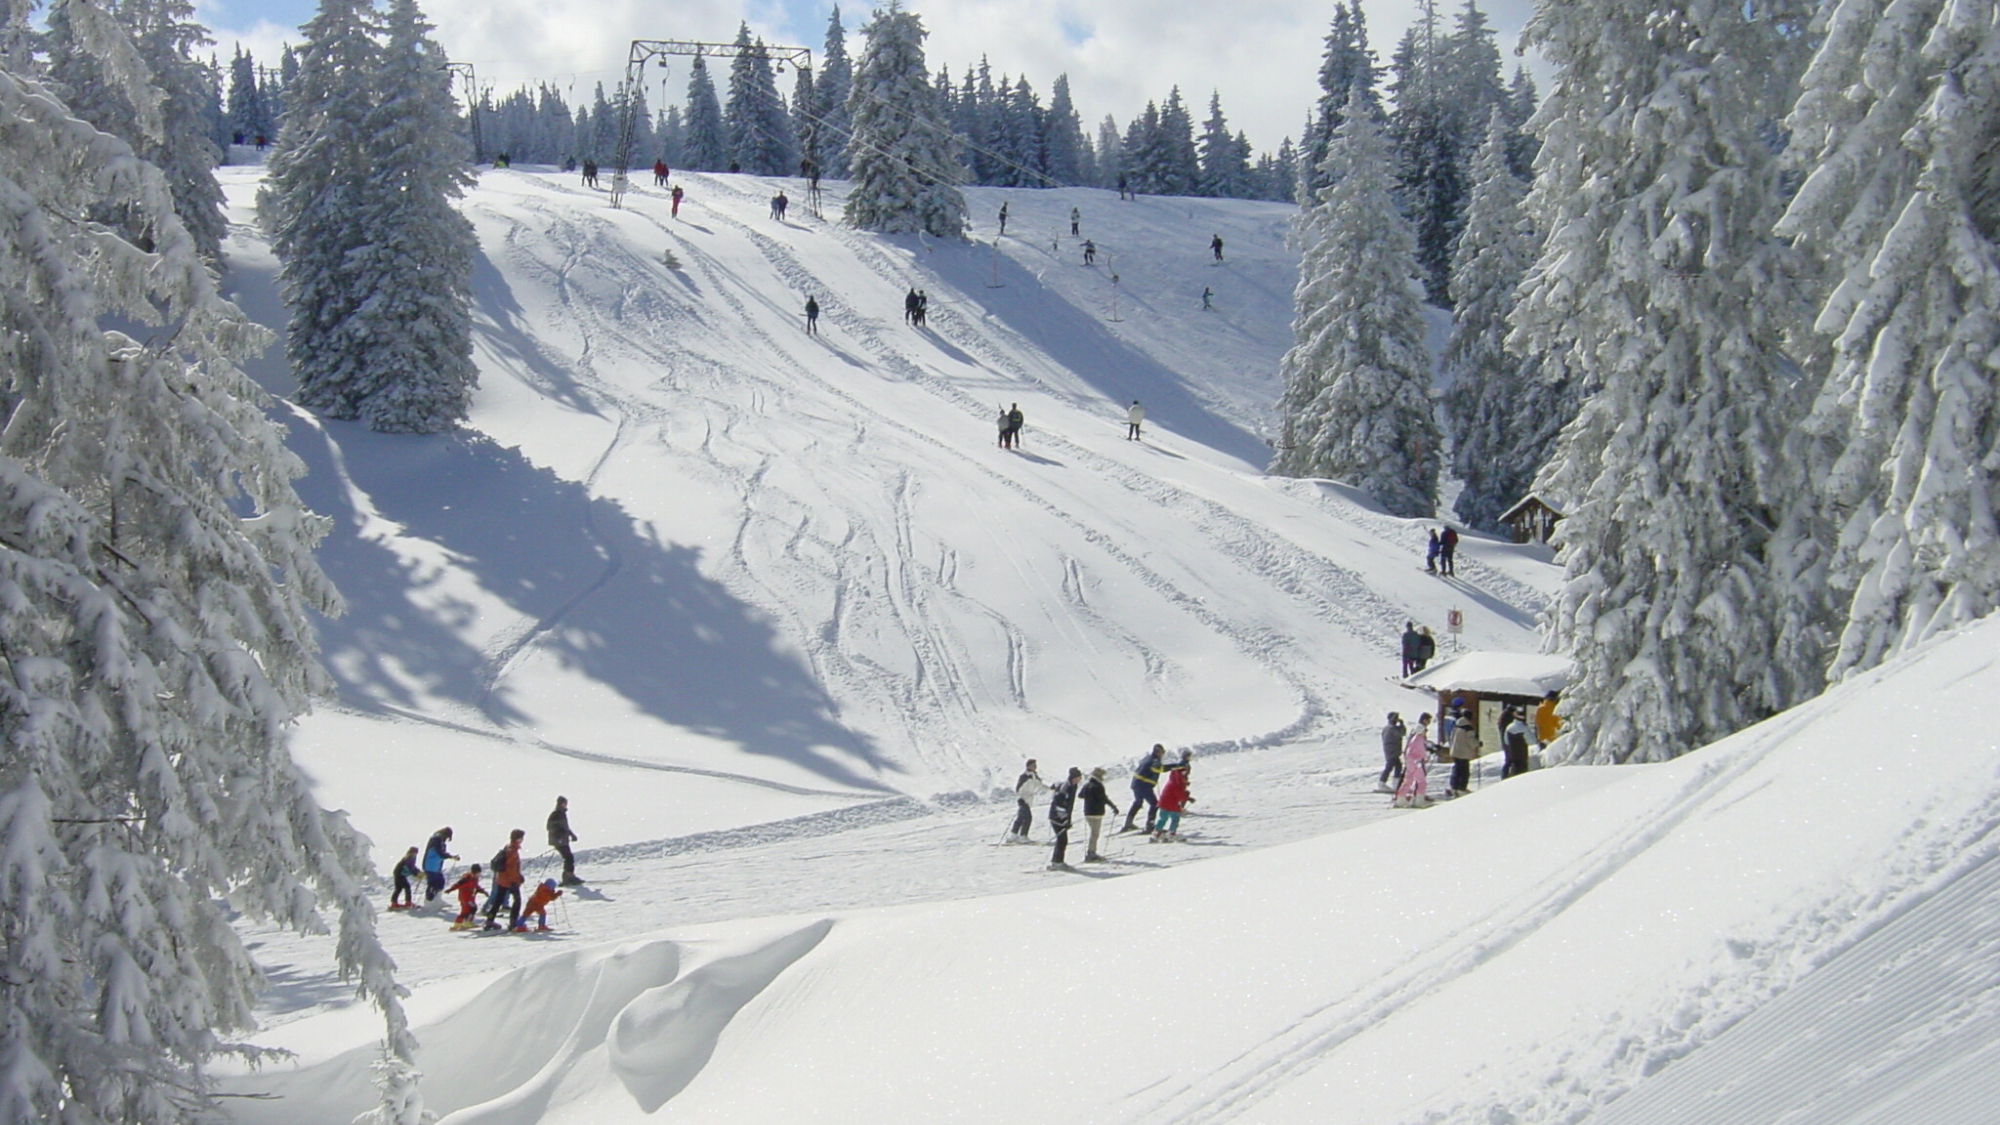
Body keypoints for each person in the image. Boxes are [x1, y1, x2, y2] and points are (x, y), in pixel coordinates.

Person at [484, 829, 526, 930]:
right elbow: (511, 869)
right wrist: (518, 879)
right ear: (518, 839)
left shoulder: (507, 847)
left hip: (501, 879)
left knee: (498, 901)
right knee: (517, 900)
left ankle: (490, 920)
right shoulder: (513, 851)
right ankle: (513, 922)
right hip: (510, 881)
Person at [1079, 767, 1122, 862]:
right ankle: (1091, 853)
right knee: (1095, 834)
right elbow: (1104, 799)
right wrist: (1114, 807)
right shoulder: (1099, 786)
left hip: (1087, 812)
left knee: (1093, 833)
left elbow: (1080, 795)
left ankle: (1091, 852)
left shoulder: (1087, 785)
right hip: (1097, 813)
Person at [1123, 744, 1167, 833]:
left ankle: (1128, 823)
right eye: (1162, 752)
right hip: (1143, 785)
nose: (1163, 754)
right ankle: (1150, 826)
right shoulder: (1154, 760)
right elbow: (1159, 768)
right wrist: (1176, 766)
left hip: (1137, 784)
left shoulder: (1148, 758)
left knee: (1138, 802)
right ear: (1158, 752)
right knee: (1154, 804)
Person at [1393, 714, 1434, 808]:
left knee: (1408, 780)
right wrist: (1423, 758)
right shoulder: (1419, 740)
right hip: (1416, 763)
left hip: (1410, 762)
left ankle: (1401, 798)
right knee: (1421, 781)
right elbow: (1420, 751)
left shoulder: (1414, 739)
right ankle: (1419, 800)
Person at [1047, 767, 1081, 869]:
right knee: (1062, 839)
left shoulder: (1072, 786)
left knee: (1062, 839)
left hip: (1061, 817)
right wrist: (1064, 820)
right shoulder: (1066, 788)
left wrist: (1067, 819)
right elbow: (1059, 805)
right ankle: (1057, 862)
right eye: (1078, 777)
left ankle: (1056, 861)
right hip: (1056, 817)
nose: (1079, 780)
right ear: (1073, 778)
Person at [1153, 754, 1192, 841]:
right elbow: (1179, 795)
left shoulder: (1172, 781)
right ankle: (1172, 834)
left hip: (1163, 803)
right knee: (1175, 818)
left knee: (1162, 818)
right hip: (1171, 805)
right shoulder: (1177, 783)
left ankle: (1157, 833)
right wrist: (1187, 797)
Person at [1008, 759, 1047, 842]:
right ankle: (1023, 836)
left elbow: (1040, 786)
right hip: (1022, 799)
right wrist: (1020, 797)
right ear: (1028, 766)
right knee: (1027, 817)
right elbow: (1018, 788)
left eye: (1035, 765)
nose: (1035, 767)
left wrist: (1051, 789)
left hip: (1028, 800)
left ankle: (1013, 835)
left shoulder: (1034, 776)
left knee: (1021, 817)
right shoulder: (1024, 776)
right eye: (1033, 765)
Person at [1447, 707, 1480, 796]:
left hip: (1455, 751)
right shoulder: (1468, 728)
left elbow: (1451, 738)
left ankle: (1453, 787)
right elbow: (1471, 741)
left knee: (1456, 770)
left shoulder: (1456, 725)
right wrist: (1478, 744)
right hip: (1464, 753)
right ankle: (1461, 788)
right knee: (1464, 771)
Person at [548, 797, 581, 885]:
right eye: (564, 803)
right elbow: (550, 827)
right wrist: (559, 836)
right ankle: (567, 877)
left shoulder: (562, 814)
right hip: (559, 841)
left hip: (563, 840)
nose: (565, 805)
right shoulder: (555, 814)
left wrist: (572, 835)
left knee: (569, 858)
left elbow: (565, 827)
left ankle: (570, 876)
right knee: (569, 857)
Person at [421, 827, 457, 902]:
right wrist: (450, 856)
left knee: (440, 883)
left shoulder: (438, 839)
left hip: (435, 866)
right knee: (433, 884)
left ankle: (435, 900)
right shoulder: (436, 840)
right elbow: (440, 854)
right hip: (430, 865)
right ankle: (429, 901)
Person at [446, 864, 485, 930]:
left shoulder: (475, 878)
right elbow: (458, 884)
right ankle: (467, 922)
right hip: (465, 897)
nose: (477, 875)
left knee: (466, 911)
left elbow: (476, 886)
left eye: (478, 873)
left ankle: (458, 924)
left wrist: (483, 891)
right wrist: (451, 889)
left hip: (470, 897)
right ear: (473, 871)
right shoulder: (467, 877)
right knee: (472, 909)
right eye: (477, 873)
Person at [1379, 712, 1407, 792]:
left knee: (1397, 766)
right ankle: (1383, 783)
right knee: (1390, 766)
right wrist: (1402, 725)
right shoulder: (1391, 728)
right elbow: (1402, 733)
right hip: (1392, 751)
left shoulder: (1388, 728)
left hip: (1391, 751)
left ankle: (1394, 783)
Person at [1501, 708, 1533, 779]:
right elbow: (1531, 741)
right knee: (1522, 773)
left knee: (1514, 769)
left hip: (1513, 753)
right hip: (1522, 754)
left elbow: (1506, 741)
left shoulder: (1509, 728)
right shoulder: (1524, 728)